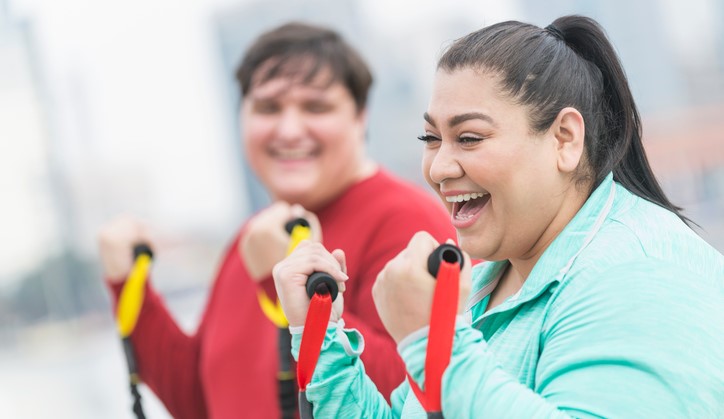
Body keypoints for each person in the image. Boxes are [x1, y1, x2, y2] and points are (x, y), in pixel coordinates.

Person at [273, 15, 724, 418]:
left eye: (468, 138)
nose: (439, 167)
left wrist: (433, 340)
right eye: (430, 138)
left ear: (564, 139)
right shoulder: (487, 279)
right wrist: (320, 333)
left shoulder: (636, 275)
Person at [97, 22, 456, 419]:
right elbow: (199, 401)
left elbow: (421, 393)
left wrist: (281, 285)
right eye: (268, 108)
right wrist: (129, 286)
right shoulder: (251, 237)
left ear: (360, 117)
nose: (288, 130)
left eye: (315, 107)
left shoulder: (407, 222)